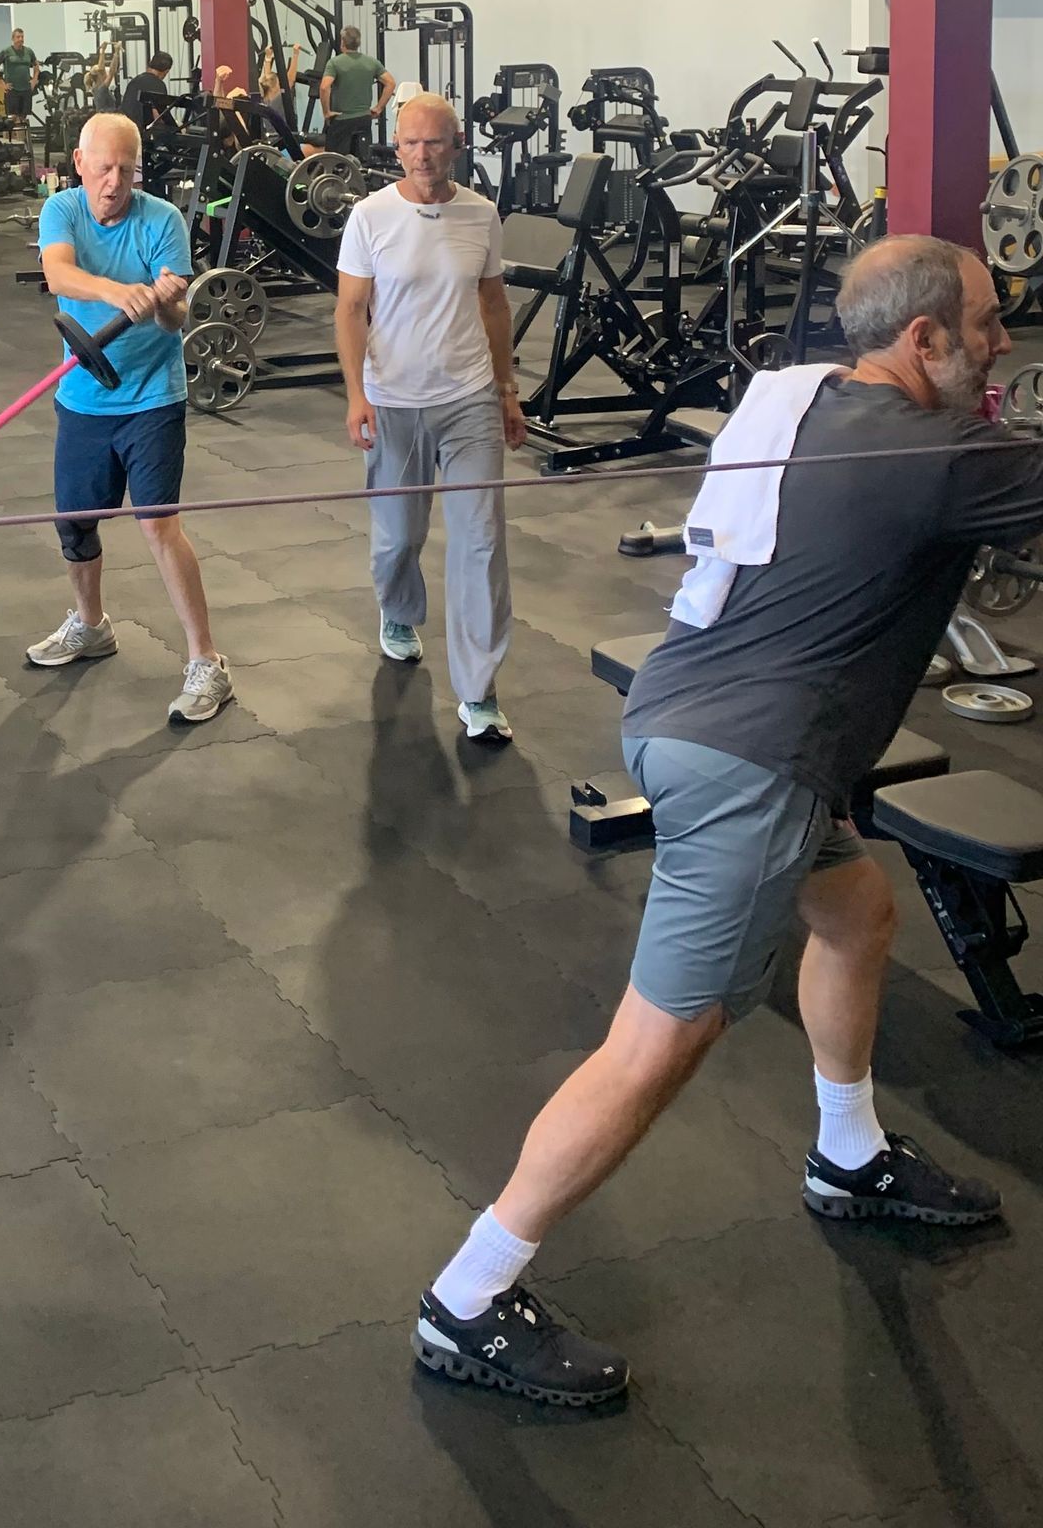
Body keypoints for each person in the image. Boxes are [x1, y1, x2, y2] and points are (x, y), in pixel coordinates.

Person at [415, 234, 1038, 1412]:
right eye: (988, 322)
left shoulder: (803, 392)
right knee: (659, 1042)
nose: (1004, 340)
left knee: (856, 912)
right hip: (754, 765)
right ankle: (469, 1297)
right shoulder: (944, 450)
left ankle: (848, 1152)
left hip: (681, 711)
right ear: (923, 340)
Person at [28, 111, 234, 728]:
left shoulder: (163, 220)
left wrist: (167, 301)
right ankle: (91, 626)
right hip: (84, 398)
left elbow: (176, 323)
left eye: (127, 169)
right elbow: (57, 273)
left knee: (158, 525)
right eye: (104, 168)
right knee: (75, 525)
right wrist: (118, 292)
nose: (114, 181)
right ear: (80, 165)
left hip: (151, 396)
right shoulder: (61, 210)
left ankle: (207, 662)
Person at [334, 91, 524, 740]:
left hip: (468, 397)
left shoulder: (482, 215)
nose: (422, 154)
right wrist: (357, 395)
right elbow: (350, 310)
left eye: (434, 142)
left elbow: (494, 304)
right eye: (411, 143)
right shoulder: (369, 217)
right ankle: (398, 608)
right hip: (393, 401)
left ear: (456, 145)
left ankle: (479, 691)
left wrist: (505, 388)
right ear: (397, 148)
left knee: (481, 542)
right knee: (396, 540)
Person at [318, 26, 395, 161]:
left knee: (336, 163)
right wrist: (379, 108)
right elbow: (390, 83)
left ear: (342, 42)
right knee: (362, 162)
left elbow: (324, 87)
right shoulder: (372, 62)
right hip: (363, 119)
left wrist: (327, 112)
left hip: (341, 120)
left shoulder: (335, 63)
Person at [0, 28, 39, 128]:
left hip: (26, 89)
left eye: (22, 37)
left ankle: (23, 142)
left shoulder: (29, 52)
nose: (20, 39)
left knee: (23, 119)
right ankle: (11, 141)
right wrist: (1, 84)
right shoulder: (6, 52)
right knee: (12, 119)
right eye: (18, 37)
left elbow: (36, 66)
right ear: (13, 39)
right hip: (12, 89)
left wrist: (34, 80)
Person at [121, 52, 174, 132]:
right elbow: (157, 116)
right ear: (166, 71)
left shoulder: (134, 81)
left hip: (125, 129)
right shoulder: (158, 85)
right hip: (142, 134)